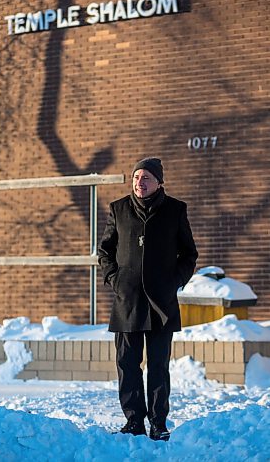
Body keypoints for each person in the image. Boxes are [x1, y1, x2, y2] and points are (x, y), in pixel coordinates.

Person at [98, 157, 198, 441]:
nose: (139, 183)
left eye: (146, 178)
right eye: (136, 177)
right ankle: (133, 421)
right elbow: (105, 251)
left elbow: (189, 255)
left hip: (161, 302)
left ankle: (158, 422)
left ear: (159, 183)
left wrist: (174, 282)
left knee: (158, 365)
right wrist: (115, 281)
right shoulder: (118, 209)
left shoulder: (175, 210)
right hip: (127, 300)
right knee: (127, 364)